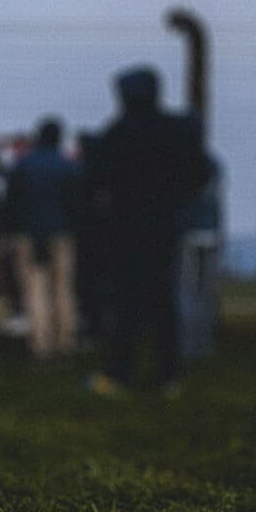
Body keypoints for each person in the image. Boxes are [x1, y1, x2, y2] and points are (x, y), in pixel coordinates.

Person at [86, 66, 213, 397]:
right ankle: (168, 375)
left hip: (125, 227)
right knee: (163, 300)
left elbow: (95, 179)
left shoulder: (117, 132)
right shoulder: (176, 131)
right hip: (165, 224)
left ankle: (120, 373)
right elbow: (201, 174)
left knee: (125, 302)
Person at [3, 118, 83, 360]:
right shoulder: (68, 165)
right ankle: (65, 341)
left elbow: (11, 200)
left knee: (35, 290)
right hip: (61, 233)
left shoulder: (23, 164)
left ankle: (41, 344)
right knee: (64, 288)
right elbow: (77, 202)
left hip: (28, 234)